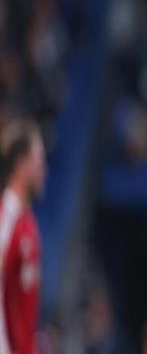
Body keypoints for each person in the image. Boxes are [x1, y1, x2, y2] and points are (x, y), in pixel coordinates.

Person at [0, 119, 45, 354]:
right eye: (39, 160)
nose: (44, 169)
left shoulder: (28, 224)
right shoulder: (5, 219)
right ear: (21, 164)